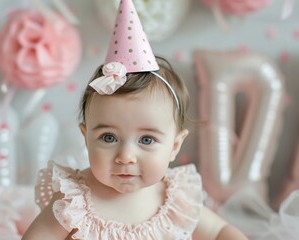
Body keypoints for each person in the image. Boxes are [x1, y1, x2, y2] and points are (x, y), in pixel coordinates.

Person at [22, 0, 248, 239]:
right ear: (85, 138)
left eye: (147, 140)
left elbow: (218, 231)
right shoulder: (75, 200)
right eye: (108, 137)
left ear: (174, 146)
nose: (126, 157)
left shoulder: (174, 198)